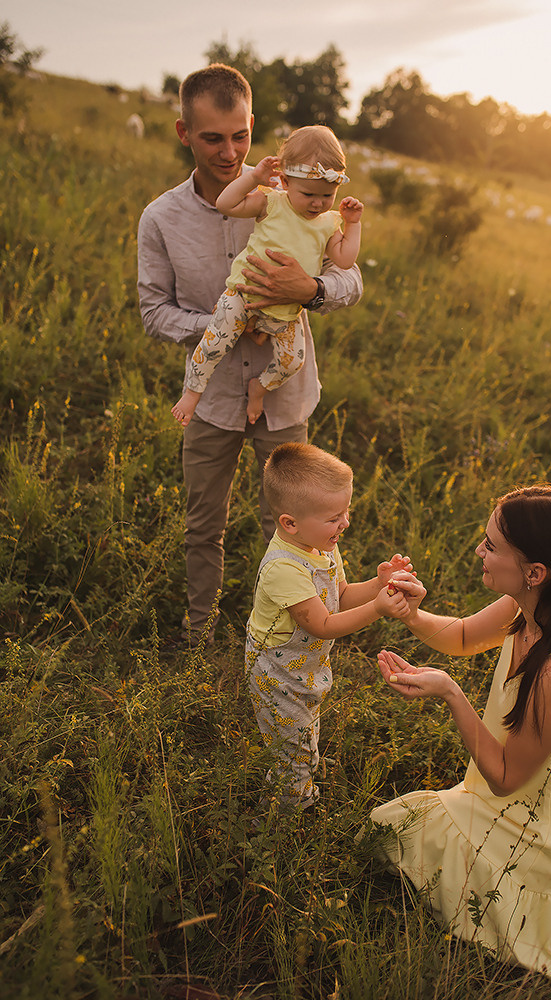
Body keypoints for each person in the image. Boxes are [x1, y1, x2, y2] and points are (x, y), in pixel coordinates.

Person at [366, 485, 551, 990]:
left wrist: (450, 694)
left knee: (394, 828)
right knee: (395, 829)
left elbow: (504, 778)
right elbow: (461, 636)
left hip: (545, 831)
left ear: (535, 573)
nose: (478, 552)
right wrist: (411, 615)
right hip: (518, 799)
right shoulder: (529, 606)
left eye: (490, 545)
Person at [137, 64, 362, 646]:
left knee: (290, 529)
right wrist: (222, 327)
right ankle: (198, 635)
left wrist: (306, 291)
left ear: (252, 125)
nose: (230, 151)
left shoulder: (293, 199)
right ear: (185, 133)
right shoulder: (161, 219)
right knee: (202, 525)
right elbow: (154, 311)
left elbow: (350, 282)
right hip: (211, 400)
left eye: (240, 135)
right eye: (213, 137)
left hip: (283, 397)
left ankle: (283, 645)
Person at [246, 442, 414, 810]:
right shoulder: (283, 569)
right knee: (291, 749)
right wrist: (378, 608)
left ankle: (301, 767)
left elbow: (340, 595)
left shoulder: (321, 544)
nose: (346, 523)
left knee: (303, 725)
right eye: (334, 517)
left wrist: (379, 582)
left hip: (304, 667)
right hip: (276, 672)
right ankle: (284, 817)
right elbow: (323, 624)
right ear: (290, 522)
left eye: (346, 511)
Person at [172, 125, 363, 427]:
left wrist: (352, 225)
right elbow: (226, 204)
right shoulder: (271, 202)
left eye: (328, 195)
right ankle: (192, 392)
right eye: (309, 194)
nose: (318, 203)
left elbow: (345, 258)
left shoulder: (327, 222)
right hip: (243, 297)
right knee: (214, 342)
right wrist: (253, 178)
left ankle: (259, 389)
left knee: (293, 361)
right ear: (285, 181)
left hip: (286, 312)